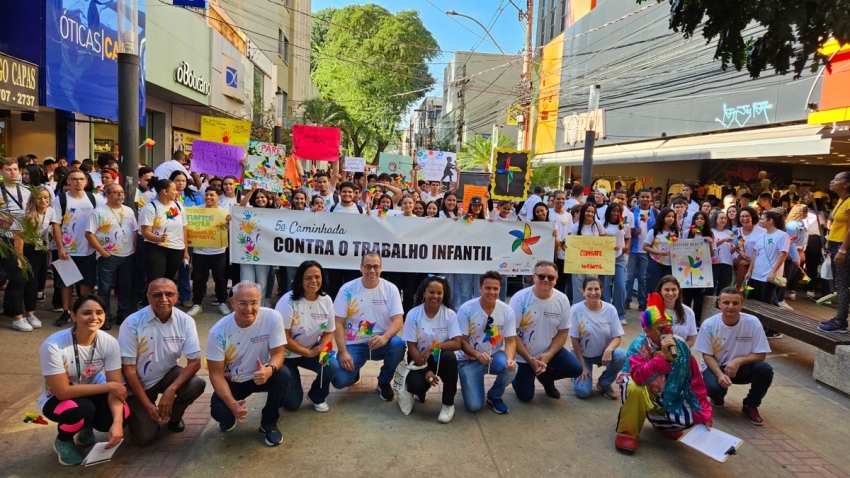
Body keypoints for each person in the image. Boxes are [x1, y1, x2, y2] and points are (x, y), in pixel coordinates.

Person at [614, 293, 712, 453]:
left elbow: (695, 381)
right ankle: (628, 431)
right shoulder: (639, 345)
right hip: (643, 389)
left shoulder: (680, 345)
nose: (667, 331)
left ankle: (662, 424)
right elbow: (638, 377)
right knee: (634, 387)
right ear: (647, 330)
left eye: (669, 326)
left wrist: (704, 414)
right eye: (660, 328)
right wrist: (662, 359)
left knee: (691, 416)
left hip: (667, 394)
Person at [38, 295, 128, 465]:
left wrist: (117, 422)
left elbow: (116, 387)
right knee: (80, 410)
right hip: (56, 398)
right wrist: (109, 386)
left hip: (93, 390)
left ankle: (87, 425)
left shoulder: (109, 342)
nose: (94, 317)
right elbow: (62, 392)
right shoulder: (53, 346)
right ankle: (63, 440)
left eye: (99, 312)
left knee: (123, 412)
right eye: (87, 313)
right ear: (74, 316)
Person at [119, 279, 205, 445]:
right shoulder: (132, 323)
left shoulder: (185, 321)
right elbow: (128, 370)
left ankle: (173, 418)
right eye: (157, 294)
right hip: (136, 384)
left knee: (196, 384)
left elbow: (195, 362)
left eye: (169, 294)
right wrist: (148, 406)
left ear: (177, 296)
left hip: (167, 375)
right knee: (145, 438)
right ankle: (139, 414)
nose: (163, 299)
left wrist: (171, 389)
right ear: (148, 297)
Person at [207, 280, 291, 446]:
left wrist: (269, 370)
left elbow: (278, 354)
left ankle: (269, 423)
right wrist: (232, 405)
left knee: (283, 375)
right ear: (232, 302)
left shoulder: (272, 317)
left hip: (262, 374)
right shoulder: (218, 332)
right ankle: (230, 417)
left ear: (260, 301)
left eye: (254, 303)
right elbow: (215, 374)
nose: (249, 308)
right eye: (242, 303)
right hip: (234, 380)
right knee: (220, 412)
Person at [331, 252, 406, 400]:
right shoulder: (347, 289)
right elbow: (337, 322)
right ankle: (354, 370)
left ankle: (383, 382)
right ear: (361, 268)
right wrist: (343, 352)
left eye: (375, 266)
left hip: (381, 342)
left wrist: (385, 337)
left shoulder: (391, 289)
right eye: (368, 266)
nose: (372, 270)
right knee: (339, 381)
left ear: (381, 268)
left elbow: (398, 320)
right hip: (354, 343)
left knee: (398, 345)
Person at [695, 287, 773, 425]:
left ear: (742, 305)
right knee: (714, 389)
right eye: (726, 302)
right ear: (719, 304)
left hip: (742, 368)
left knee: (765, 370)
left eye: (735, 303)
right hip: (717, 366)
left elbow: (761, 354)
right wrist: (720, 374)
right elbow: (707, 355)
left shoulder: (753, 322)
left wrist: (738, 361)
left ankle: (750, 405)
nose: (730, 307)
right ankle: (718, 395)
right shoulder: (709, 324)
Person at [509, 261, 583, 401]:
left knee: (575, 368)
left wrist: (548, 355)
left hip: (548, 351)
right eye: (541, 276)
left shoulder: (562, 299)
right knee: (526, 397)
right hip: (523, 356)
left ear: (556, 279)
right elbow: (512, 335)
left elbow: (563, 333)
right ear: (534, 277)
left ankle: (546, 378)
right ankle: (516, 376)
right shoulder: (519, 299)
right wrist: (531, 361)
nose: (546, 280)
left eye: (550, 277)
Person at [276, 261, 339, 413]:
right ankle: (280, 383)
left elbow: (329, 332)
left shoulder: (326, 300)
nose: (313, 281)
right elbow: (283, 338)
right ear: (300, 280)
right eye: (308, 278)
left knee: (331, 365)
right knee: (292, 404)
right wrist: (309, 353)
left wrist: (323, 350)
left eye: (317, 277)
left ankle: (317, 396)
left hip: (312, 348)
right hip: (286, 355)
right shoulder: (288, 301)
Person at [456, 271, 518, 413]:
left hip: (494, 355)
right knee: (474, 406)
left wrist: (510, 359)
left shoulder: (507, 311)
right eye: (488, 288)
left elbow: (510, 341)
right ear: (480, 288)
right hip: (469, 358)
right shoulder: (466, 309)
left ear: (500, 289)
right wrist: (478, 355)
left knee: (512, 368)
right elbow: (461, 341)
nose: (492, 292)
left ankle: (494, 396)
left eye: (495, 288)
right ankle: (470, 382)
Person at [402, 276, 462, 423]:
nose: (435, 296)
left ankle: (448, 404)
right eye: (431, 292)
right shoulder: (413, 314)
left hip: (439, 357)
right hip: (419, 358)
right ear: (423, 293)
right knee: (415, 385)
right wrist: (426, 371)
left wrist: (432, 347)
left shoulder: (449, 314)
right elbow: (411, 347)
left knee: (450, 358)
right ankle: (420, 391)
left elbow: (457, 343)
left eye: (439, 293)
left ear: (444, 294)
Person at [52, 168, 106, 326]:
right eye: (74, 179)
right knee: (66, 284)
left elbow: (104, 219)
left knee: (86, 284)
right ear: (68, 181)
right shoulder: (61, 199)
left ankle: (84, 311)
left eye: (81, 179)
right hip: (67, 249)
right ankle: (66, 311)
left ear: (86, 181)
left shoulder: (95, 198)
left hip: (89, 250)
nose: (78, 182)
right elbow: (55, 225)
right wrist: (60, 247)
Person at [84, 184, 139, 329]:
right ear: (107, 194)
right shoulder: (98, 212)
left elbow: (134, 230)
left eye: (122, 192)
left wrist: (134, 248)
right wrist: (102, 252)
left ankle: (123, 314)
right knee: (105, 288)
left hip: (128, 255)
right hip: (108, 256)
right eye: (116, 192)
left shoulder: (128, 210)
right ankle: (105, 316)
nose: (120, 195)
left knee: (125, 287)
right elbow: (89, 233)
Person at [569, 277, 626, 399]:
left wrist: (609, 350)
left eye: (596, 289)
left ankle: (604, 383)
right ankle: (574, 370)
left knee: (621, 355)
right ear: (583, 291)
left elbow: (617, 337)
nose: (593, 292)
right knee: (583, 392)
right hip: (582, 355)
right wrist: (582, 366)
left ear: (601, 290)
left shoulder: (610, 309)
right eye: (589, 289)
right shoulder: (575, 310)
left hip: (603, 356)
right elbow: (574, 340)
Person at [11, 186, 53, 331]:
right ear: (33, 199)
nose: (43, 200)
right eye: (39, 197)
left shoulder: (50, 212)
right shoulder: (25, 215)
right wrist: (20, 258)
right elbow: (18, 238)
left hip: (38, 249)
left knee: (32, 283)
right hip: (21, 248)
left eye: (46, 197)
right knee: (19, 282)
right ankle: (17, 318)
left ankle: (31, 314)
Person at [187, 187, 231, 317]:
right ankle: (197, 304)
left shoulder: (224, 213)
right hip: (199, 252)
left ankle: (222, 303)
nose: (208, 197)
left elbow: (229, 230)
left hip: (218, 252)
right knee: (199, 279)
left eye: (212, 195)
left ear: (218, 197)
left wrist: (229, 225)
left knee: (220, 279)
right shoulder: (196, 210)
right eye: (206, 195)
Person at [745, 210, 788, 339]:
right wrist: (749, 271)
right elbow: (755, 254)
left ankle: (773, 329)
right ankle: (759, 326)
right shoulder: (761, 235)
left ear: (771, 220)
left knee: (767, 303)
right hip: (756, 274)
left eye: (763, 219)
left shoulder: (782, 235)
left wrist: (773, 272)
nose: (760, 221)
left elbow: (783, 254)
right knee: (756, 301)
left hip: (768, 275)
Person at [139, 178, 189, 285]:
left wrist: (185, 251)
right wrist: (159, 238)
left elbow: (184, 229)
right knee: (156, 282)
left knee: (168, 282)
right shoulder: (150, 208)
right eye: (174, 190)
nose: (177, 192)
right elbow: (145, 232)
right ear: (165, 191)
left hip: (177, 249)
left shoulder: (179, 206)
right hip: (156, 248)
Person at [820, 172, 850, 332]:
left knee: (842, 284)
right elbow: (838, 226)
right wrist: (829, 242)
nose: (832, 181)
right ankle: (839, 319)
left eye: (837, 179)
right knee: (840, 284)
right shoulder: (841, 200)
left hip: (843, 247)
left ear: (846, 184)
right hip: (835, 244)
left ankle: (840, 321)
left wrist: (843, 249)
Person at [626, 189, 657, 312]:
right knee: (629, 277)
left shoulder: (656, 212)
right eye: (642, 197)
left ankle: (642, 303)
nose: (645, 199)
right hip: (633, 249)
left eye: (647, 197)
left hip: (648, 251)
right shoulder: (631, 212)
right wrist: (633, 232)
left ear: (651, 198)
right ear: (638, 198)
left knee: (643, 279)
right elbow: (625, 228)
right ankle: (626, 300)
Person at [570, 202, 606, 302]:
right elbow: (572, 243)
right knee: (578, 286)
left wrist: (612, 246)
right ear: (583, 212)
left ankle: (592, 306)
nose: (590, 214)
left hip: (593, 261)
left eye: (592, 212)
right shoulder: (575, 227)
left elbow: (604, 240)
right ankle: (578, 307)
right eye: (588, 211)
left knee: (592, 285)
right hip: (578, 261)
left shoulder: (598, 224)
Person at [602, 202, 631, 324]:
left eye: (618, 211)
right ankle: (606, 313)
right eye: (613, 211)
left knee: (620, 285)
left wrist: (626, 247)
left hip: (619, 258)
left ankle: (620, 314)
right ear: (608, 212)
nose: (615, 213)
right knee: (604, 286)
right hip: (605, 258)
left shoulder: (624, 224)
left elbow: (628, 237)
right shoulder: (602, 224)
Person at [643, 207, 678, 294]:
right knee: (653, 289)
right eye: (668, 216)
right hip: (656, 263)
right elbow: (645, 246)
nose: (671, 218)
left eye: (673, 217)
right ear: (662, 217)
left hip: (670, 265)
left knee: (666, 290)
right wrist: (659, 253)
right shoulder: (654, 231)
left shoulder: (676, 231)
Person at [657, 276, 698, 347]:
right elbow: (648, 337)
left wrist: (678, 350)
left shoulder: (688, 312)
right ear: (660, 291)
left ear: (678, 291)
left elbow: (691, 340)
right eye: (666, 290)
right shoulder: (653, 311)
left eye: (674, 289)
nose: (670, 293)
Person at [711, 210, 735, 294]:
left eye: (725, 218)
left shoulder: (729, 232)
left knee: (724, 287)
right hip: (713, 263)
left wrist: (736, 247)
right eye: (721, 218)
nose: (723, 220)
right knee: (711, 287)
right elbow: (710, 246)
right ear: (715, 219)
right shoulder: (711, 231)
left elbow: (731, 251)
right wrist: (723, 240)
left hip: (727, 262)